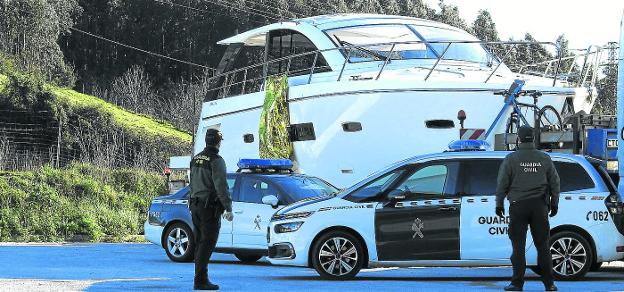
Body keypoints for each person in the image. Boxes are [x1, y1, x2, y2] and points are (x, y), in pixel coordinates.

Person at [496, 125, 560, 292]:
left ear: (518, 138)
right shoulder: (544, 158)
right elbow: (555, 182)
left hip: (518, 206)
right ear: (533, 138)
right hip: (539, 207)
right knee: (543, 246)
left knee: (518, 247)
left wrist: (499, 203)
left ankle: (517, 284)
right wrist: (554, 203)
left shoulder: (511, 159)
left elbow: (502, 183)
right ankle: (549, 284)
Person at [189, 128, 233, 290]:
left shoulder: (196, 159)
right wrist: (228, 208)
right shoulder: (216, 160)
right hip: (209, 208)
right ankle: (200, 280)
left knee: (200, 242)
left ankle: (200, 278)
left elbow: (192, 183)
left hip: (195, 205)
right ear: (219, 142)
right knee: (207, 243)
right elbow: (221, 186)